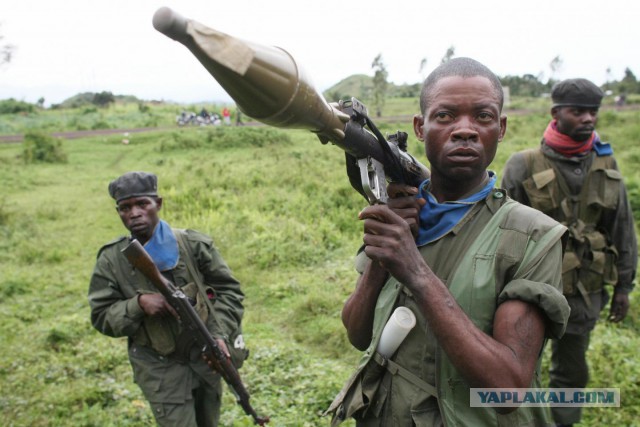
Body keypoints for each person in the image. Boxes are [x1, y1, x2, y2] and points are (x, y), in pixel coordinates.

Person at [327, 58, 571, 426]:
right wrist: (381, 261)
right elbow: (357, 334)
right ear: (419, 128)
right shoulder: (402, 211)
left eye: (483, 117)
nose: (465, 130)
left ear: (500, 128)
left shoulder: (533, 236)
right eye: (444, 116)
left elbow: (508, 388)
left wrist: (414, 271)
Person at [501, 78, 637, 427]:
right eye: (578, 112)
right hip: (529, 291)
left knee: (572, 372)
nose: (588, 119)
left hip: (583, 291)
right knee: (514, 370)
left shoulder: (606, 164)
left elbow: (622, 227)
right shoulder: (522, 164)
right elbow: (498, 233)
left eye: (593, 112)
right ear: (556, 113)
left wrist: (624, 285)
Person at [88, 171, 247, 427]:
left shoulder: (193, 245)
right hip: (159, 366)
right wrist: (138, 305)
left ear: (158, 204)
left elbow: (229, 292)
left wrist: (219, 335)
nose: (134, 213)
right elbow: (101, 315)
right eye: (125, 208)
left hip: (205, 358)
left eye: (142, 204)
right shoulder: (111, 260)